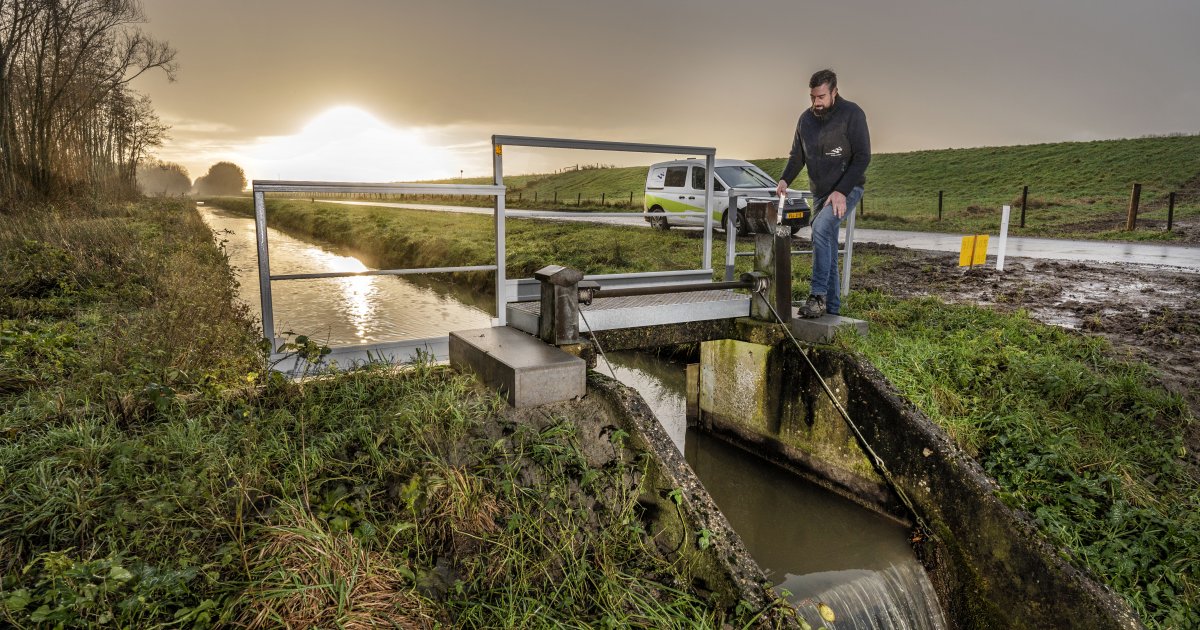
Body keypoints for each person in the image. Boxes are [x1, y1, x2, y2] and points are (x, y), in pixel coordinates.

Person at [776, 69, 871, 318]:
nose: (817, 102)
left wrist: (841, 191)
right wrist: (785, 178)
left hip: (846, 189)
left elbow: (863, 157)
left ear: (834, 92)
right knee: (825, 239)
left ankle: (817, 295)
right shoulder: (805, 120)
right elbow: (798, 156)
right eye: (813, 97)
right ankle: (833, 308)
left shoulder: (852, 114)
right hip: (820, 193)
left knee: (819, 229)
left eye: (821, 97)